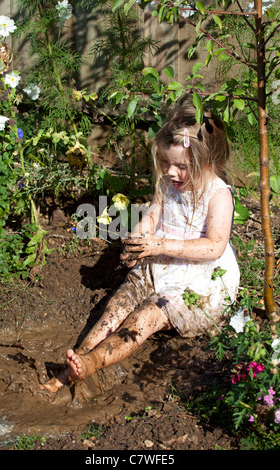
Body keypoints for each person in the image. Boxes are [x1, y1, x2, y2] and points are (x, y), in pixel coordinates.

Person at [40, 100, 240, 393]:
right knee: (115, 308)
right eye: (166, 163)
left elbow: (214, 247)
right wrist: (137, 238)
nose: (171, 172)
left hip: (197, 282)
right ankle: (73, 365)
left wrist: (159, 243)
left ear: (208, 163)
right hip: (160, 265)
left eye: (181, 166)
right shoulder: (169, 184)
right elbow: (153, 216)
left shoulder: (218, 195)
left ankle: (94, 362)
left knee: (144, 316)